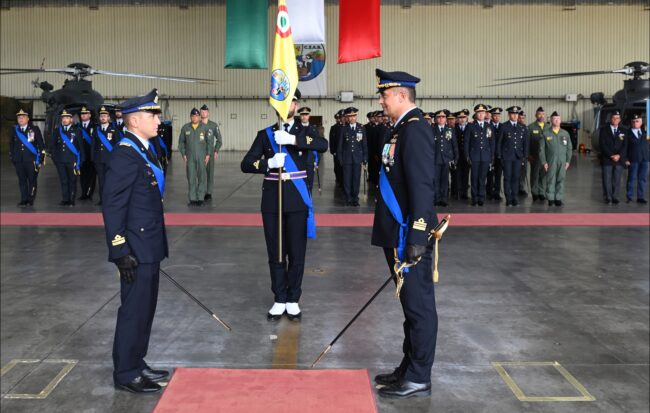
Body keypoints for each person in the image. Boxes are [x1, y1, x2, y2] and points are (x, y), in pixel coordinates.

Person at [372, 68, 438, 399]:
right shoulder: (399, 130)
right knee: (408, 307)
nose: (381, 99)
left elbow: (423, 189)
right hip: (396, 233)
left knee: (419, 307)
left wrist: (417, 237)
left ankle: (419, 375)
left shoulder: (416, 131)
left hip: (408, 237)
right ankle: (408, 368)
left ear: (401, 95)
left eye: (385, 94)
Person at [102, 89, 169, 394]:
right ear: (134, 120)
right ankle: (125, 372)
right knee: (133, 309)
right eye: (153, 115)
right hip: (135, 249)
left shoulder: (144, 149)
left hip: (149, 245)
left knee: (146, 308)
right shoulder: (125, 153)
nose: (158, 119)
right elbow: (113, 205)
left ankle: (137, 361)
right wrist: (119, 250)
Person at [241, 89, 327, 321]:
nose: (285, 105)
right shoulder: (265, 134)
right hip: (272, 200)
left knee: (297, 253)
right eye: (280, 101)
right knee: (276, 252)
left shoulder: (306, 131)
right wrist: (268, 163)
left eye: (290, 102)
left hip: (297, 200)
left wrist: (293, 140)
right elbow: (246, 163)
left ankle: (293, 299)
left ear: (296, 105)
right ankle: (279, 297)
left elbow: (322, 145)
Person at [10, 109, 45, 207]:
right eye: (19, 117)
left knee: (32, 180)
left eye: (22, 117)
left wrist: (40, 158)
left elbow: (41, 145)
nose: (20, 119)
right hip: (19, 160)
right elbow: (11, 145)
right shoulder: (14, 130)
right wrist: (13, 157)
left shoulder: (34, 129)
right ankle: (23, 199)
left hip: (31, 160)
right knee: (22, 181)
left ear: (28, 119)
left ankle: (30, 199)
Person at [179, 108, 213, 206]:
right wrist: (183, 154)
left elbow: (209, 142)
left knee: (202, 177)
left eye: (197, 116)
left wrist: (208, 154)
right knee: (191, 177)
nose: (195, 117)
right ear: (190, 117)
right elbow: (181, 142)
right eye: (193, 116)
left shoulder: (205, 128)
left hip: (202, 157)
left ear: (199, 117)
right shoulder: (186, 128)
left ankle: (200, 198)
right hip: (190, 158)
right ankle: (193, 199)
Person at [51, 109, 84, 206]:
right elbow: (53, 146)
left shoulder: (77, 131)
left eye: (66, 118)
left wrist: (81, 160)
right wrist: (55, 159)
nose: (64, 120)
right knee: (63, 181)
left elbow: (81, 147)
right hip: (60, 161)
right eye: (63, 118)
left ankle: (72, 199)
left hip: (72, 160)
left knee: (72, 181)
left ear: (71, 120)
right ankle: (65, 199)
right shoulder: (57, 131)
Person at [497, 106, 529, 206]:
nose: (514, 116)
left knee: (516, 178)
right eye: (512, 114)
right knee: (507, 177)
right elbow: (499, 143)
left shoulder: (522, 127)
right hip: (507, 156)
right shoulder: (504, 126)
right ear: (509, 115)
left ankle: (515, 197)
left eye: (516, 114)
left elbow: (525, 144)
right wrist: (499, 156)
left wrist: (525, 156)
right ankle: (508, 198)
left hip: (518, 157)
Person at [539, 111, 572, 206]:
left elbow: (569, 148)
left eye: (558, 119)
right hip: (550, 161)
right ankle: (550, 198)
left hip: (562, 161)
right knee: (550, 179)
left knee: (561, 179)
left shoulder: (565, 134)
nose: (556, 121)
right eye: (554, 119)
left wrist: (568, 161)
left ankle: (558, 198)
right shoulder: (545, 134)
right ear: (551, 120)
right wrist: (544, 162)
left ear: (560, 120)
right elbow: (541, 150)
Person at [464, 104, 495, 206]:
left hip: (485, 156)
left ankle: (481, 197)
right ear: (476, 114)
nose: (481, 114)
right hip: (475, 156)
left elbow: (491, 142)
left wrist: (491, 156)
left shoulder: (489, 126)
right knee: (474, 177)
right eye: (479, 113)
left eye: (483, 113)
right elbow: (467, 142)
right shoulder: (471, 126)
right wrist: (467, 155)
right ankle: (474, 197)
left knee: (482, 178)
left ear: (485, 114)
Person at [337, 107, 368, 206]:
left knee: (356, 179)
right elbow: (340, 146)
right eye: (350, 116)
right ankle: (348, 198)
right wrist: (340, 159)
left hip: (357, 158)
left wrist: (365, 158)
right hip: (346, 158)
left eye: (353, 116)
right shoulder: (343, 129)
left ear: (356, 116)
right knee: (347, 179)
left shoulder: (361, 128)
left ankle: (355, 198)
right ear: (347, 117)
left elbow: (364, 144)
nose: (352, 118)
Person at [92, 106, 120, 206]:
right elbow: (93, 146)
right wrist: (93, 158)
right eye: (101, 116)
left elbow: (117, 146)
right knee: (101, 181)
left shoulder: (114, 130)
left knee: (111, 181)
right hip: (99, 160)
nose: (103, 118)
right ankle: (102, 200)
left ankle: (111, 199)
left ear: (108, 118)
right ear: (99, 118)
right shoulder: (96, 130)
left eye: (105, 116)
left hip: (110, 160)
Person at [598, 110, 627, 204]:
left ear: (620, 120)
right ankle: (608, 197)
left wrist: (619, 155)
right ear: (611, 119)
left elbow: (625, 145)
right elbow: (602, 144)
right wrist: (611, 155)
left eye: (617, 118)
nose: (615, 119)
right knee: (607, 179)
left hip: (619, 159)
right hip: (607, 159)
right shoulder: (603, 130)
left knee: (617, 179)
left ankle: (615, 197)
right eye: (614, 118)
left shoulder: (623, 130)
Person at [431, 109, 458, 207]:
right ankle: (436, 198)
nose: (441, 119)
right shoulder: (432, 130)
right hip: (435, 159)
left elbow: (454, 145)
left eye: (443, 117)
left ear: (446, 119)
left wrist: (456, 157)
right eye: (439, 117)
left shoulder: (450, 130)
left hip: (446, 159)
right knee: (436, 180)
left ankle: (444, 199)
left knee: (445, 180)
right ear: (435, 119)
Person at [297, 106, 323, 192]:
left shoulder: (314, 129)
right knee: (299, 183)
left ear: (309, 116)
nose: (304, 116)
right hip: (298, 160)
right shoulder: (296, 128)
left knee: (309, 183)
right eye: (302, 115)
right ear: (300, 116)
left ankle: (309, 200)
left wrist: (317, 161)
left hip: (310, 160)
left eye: (306, 114)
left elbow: (318, 146)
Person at [200, 104, 223, 201]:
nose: (203, 113)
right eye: (202, 111)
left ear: (208, 113)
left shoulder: (213, 125)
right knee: (200, 173)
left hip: (210, 152)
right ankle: (201, 191)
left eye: (205, 111)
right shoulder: (197, 125)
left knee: (209, 173)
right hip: (199, 152)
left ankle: (208, 192)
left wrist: (216, 150)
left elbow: (219, 139)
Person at [625, 114, 648, 203]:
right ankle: (629, 197)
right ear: (631, 123)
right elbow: (625, 147)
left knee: (642, 179)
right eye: (633, 122)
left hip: (645, 159)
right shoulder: (628, 134)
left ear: (641, 122)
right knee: (631, 178)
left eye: (637, 121)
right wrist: (626, 159)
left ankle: (640, 197)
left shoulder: (645, 133)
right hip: (633, 159)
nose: (635, 123)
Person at [78, 106, 97, 201]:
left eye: (85, 114)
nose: (83, 115)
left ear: (89, 115)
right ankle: (83, 193)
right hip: (81, 156)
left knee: (91, 176)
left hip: (91, 155)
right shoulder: (78, 127)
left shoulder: (95, 127)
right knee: (82, 176)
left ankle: (89, 194)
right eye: (82, 114)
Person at [528, 107, 547, 201]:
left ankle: (542, 192)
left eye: (543, 114)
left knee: (544, 175)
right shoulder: (531, 127)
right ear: (536, 115)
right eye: (539, 114)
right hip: (534, 156)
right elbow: (527, 142)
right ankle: (535, 192)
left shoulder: (548, 127)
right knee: (535, 175)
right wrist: (528, 154)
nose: (541, 116)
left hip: (546, 157)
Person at [451, 109, 471, 200]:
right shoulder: (454, 128)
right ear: (457, 119)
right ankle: (458, 192)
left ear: (467, 118)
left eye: (464, 117)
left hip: (466, 155)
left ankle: (464, 192)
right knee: (457, 174)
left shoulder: (470, 127)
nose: (462, 119)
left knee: (466, 174)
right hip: (457, 155)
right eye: (460, 118)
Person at [486, 107, 503, 201]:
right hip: (491, 155)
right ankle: (490, 192)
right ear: (492, 116)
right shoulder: (488, 127)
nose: (496, 117)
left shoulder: (502, 126)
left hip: (499, 155)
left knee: (498, 174)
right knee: (490, 174)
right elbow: (488, 141)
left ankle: (497, 192)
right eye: (495, 116)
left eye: (498, 116)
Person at [329, 110, 345, 188]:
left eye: (342, 117)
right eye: (340, 117)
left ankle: (344, 181)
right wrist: (333, 151)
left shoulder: (347, 126)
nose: (341, 119)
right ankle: (339, 179)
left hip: (345, 152)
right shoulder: (334, 128)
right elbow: (332, 140)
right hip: (336, 151)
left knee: (344, 168)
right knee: (337, 167)